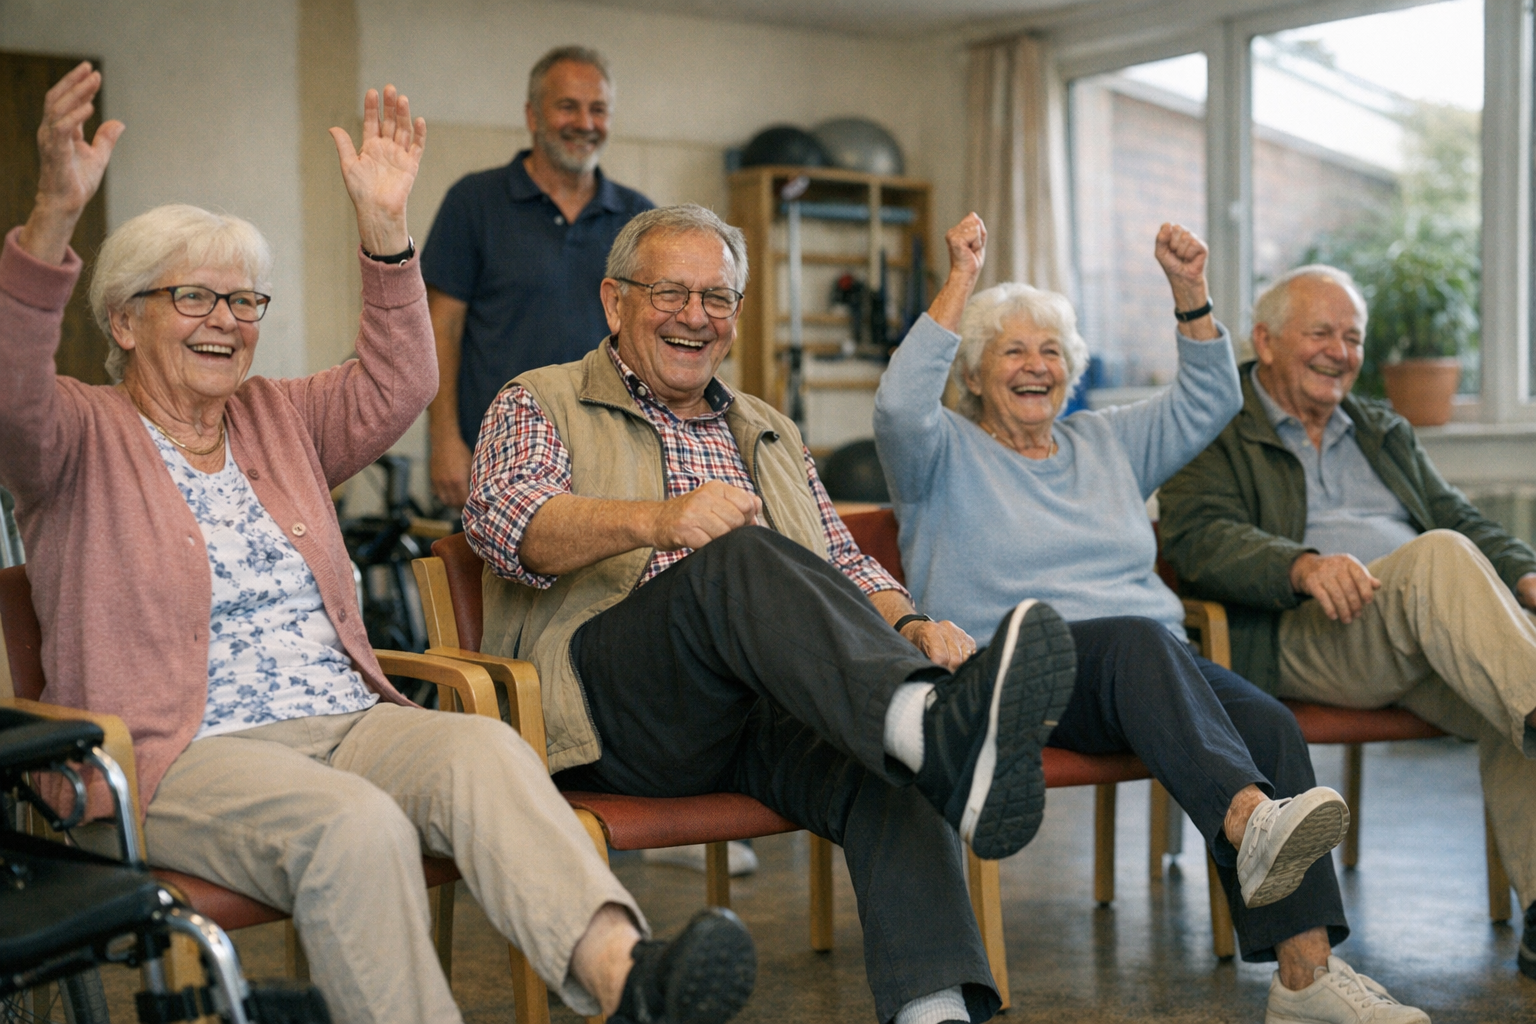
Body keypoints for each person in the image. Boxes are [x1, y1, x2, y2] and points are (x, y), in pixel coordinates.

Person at [0, 64, 755, 1024]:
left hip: (345, 719)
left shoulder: (277, 416)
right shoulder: (71, 434)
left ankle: (628, 980)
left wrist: (386, 230)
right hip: (179, 753)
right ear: (122, 317)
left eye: (244, 302)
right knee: (354, 827)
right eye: (193, 297)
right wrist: (54, 218)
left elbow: (401, 384)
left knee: (486, 752)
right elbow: (9, 383)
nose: (225, 321)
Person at [466, 202, 1109, 1024]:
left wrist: (910, 627)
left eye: (717, 297)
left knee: (895, 760)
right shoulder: (540, 399)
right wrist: (660, 520)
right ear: (614, 301)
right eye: (670, 293)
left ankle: (935, 1008)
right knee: (738, 558)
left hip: (759, 712)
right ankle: (928, 720)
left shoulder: (768, 429)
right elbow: (509, 525)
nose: (695, 316)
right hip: (615, 713)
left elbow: (844, 561)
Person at [873, 214, 1426, 1024]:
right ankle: (1248, 819)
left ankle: (1305, 979)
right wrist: (959, 280)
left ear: (1072, 370)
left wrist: (1189, 291)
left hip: (1148, 673)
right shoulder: (937, 454)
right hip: (1015, 674)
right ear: (975, 373)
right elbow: (897, 406)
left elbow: (1211, 398)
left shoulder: (1107, 442)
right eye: (1013, 350)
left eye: (1052, 350)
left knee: (1269, 725)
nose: (1037, 365)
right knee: (1136, 640)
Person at [1160, 262, 1536, 983]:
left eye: (1354, 338)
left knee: (1512, 695)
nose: (1341, 352)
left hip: (1426, 632)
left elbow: (1458, 514)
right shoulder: (1214, 421)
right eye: (1322, 333)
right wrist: (1299, 565)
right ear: (1266, 341)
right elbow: (1197, 538)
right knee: (1443, 562)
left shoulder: (1379, 428)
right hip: (1307, 633)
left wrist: (1524, 574)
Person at [422, 44, 653, 510]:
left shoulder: (639, 217)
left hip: (611, 457)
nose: (585, 123)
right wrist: (444, 439)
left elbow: (653, 338)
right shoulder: (474, 202)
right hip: (498, 454)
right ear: (532, 115)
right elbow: (440, 329)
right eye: (568, 106)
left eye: (598, 109)